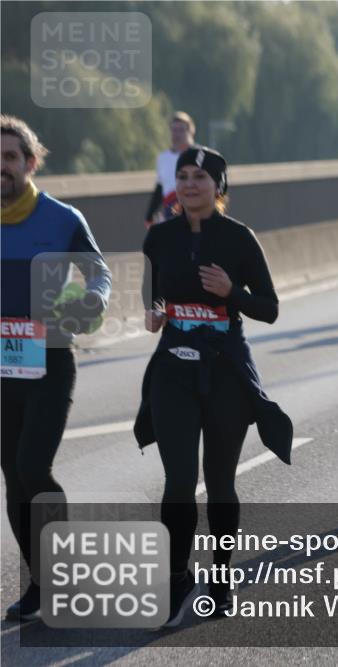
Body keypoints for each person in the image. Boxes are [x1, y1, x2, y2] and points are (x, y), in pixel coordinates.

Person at [134, 146, 291, 626]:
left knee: (220, 482)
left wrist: (232, 294)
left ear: (219, 187)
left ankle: (221, 577)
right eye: (182, 175)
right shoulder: (159, 237)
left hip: (224, 369)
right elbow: (154, 294)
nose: (189, 184)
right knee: (179, 481)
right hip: (173, 370)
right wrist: (156, 312)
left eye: (200, 176)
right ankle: (177, 575)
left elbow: (269, 307)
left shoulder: (240, 239)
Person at [1, 115, 112, 621]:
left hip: (49, 361)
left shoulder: (61, 217)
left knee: (32, 467)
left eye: (9, 157)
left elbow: (99, 272)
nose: (1, 167)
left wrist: (92, 297)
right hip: (2, 367)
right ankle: (39, 582)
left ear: (30, 162)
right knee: (13, 478)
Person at [144, 112, 196, 229]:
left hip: (192, 207)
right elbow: (160, 186)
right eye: (174, 130)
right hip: (170, 210)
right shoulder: (162, 158)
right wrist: (149, 215)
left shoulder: (198, 155)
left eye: (181, 130)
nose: (177, 134)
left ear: (190, 131)